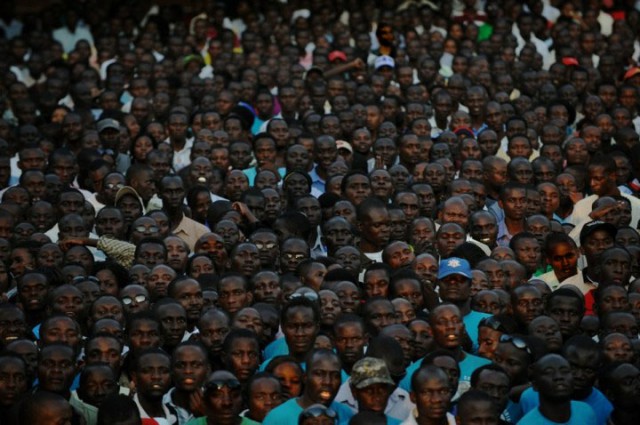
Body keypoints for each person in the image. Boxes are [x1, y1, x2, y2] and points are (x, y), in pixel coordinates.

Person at [263, 349, 354, 425]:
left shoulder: (347, 414)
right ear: (305, 378)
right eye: (319, 374)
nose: (327, 382)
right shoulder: (278, 418)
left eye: (335, 376)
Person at [516, 354, 596, 425]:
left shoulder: (585, 411)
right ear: (535, 385)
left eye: (565, 371)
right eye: (548, 372)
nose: (558, 377)